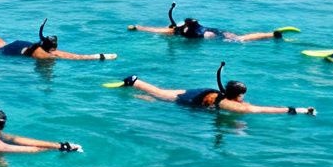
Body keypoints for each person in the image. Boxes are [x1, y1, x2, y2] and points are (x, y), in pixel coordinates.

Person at [110, 63, 316, 115]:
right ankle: (134, 82)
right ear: (238, 95)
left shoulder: (224, 96)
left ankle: (136, 88)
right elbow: (258, 110)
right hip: (191, 99)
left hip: (200, 91)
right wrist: (296, 110)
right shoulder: (229, 104)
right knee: (161, 95)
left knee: (160, 93)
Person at [0, 16, 117, 61]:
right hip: (12, 50)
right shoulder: (45, 55)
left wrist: (102, 56)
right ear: (51, 47)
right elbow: (76, 57)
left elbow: (76, 57)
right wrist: (101, 56)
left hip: (18, 44)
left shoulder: (41, 49)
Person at [128, 2, 297, 43]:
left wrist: (138, 27)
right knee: (239, 37)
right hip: (211, 30)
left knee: (239, 41)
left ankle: (271, 36)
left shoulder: (174, 31)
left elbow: (154, 30)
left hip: (206, 35)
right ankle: (271, 34)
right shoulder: (184, 25)